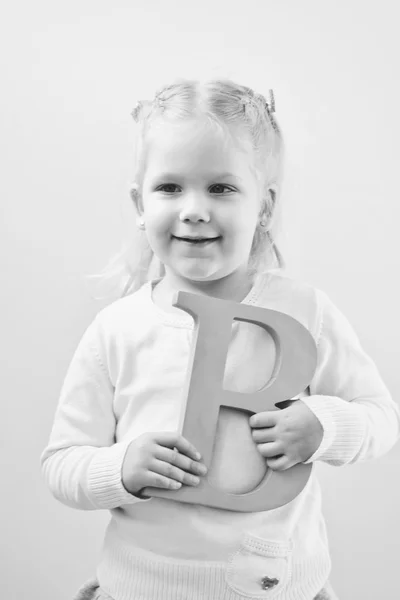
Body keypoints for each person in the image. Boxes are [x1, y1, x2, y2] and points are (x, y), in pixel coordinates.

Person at [40, 77, 400, 600]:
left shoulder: (304, 311)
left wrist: (326, 424)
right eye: (170, 188)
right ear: (140, 204)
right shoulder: (117, 330)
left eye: (222, 188)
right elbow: (61, 464)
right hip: (143, 587)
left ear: (265, 208)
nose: (194, 209)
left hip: (280, 586)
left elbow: (382, 417)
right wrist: (121, 466)